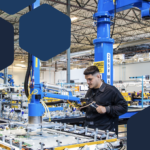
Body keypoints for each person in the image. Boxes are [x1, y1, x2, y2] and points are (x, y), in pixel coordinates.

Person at [79, 66, 128, 135]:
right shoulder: (90, 90)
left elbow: (124, 107)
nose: (88, 82)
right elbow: (90, 105)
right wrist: (82, 107)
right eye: (86, 79)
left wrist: (106, 109)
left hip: (105, 132)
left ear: (98, 76)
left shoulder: (111, 90)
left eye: (90, 79)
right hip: (89, 129)